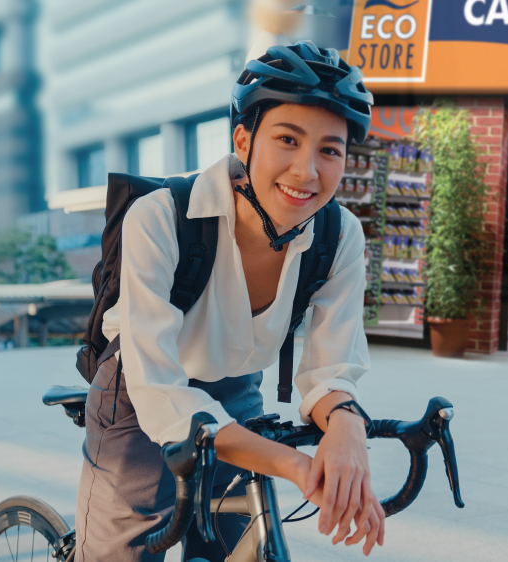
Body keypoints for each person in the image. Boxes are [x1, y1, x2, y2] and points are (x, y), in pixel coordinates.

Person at [74, 41, 382, 561]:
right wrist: (292, 464)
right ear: (244, 139)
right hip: (138, 389)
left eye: (330, 149)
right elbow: (159, 392)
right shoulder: (160, 218)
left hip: (235, 389)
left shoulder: (340, 235)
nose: (307, 171)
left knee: (231, 548)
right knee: (123, 552)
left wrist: (349, 426)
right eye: (287, 139)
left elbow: (330, 369)